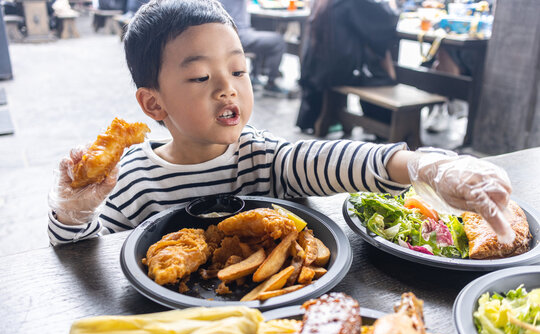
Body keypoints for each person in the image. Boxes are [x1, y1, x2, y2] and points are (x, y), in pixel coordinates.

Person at [47, 0, 514, 246]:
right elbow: (86, 255)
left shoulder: (262, 156)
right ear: (153, 105)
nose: (227, 88)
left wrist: (424, 167)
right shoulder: (132, 180)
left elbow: (329, 159)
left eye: (239, 70)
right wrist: (74, 211)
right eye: (200, 76)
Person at [296, 0, 400, 134]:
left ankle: (331, 118)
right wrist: (391, 5)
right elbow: (383, 22)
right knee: (382, 78)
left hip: (318, 69)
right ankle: (381, 127)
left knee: (372, 70)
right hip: (338, 71)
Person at [219, 0, 288, 94]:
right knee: (278, 41)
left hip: (224, 35)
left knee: (259, 31)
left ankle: (255, 75)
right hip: (239, 35)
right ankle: (271, 83)